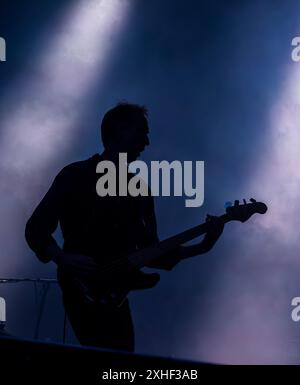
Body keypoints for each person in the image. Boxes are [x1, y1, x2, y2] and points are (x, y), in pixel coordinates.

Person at [25, 102, 224, 352]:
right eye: (141, 132)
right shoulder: (75, 175)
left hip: (116, 296)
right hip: (82, 288)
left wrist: (204, 245)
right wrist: (61, 257)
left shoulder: (140, 190)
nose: (147, 142)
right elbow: (36, 228)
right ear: (118, 131)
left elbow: (153, 252)